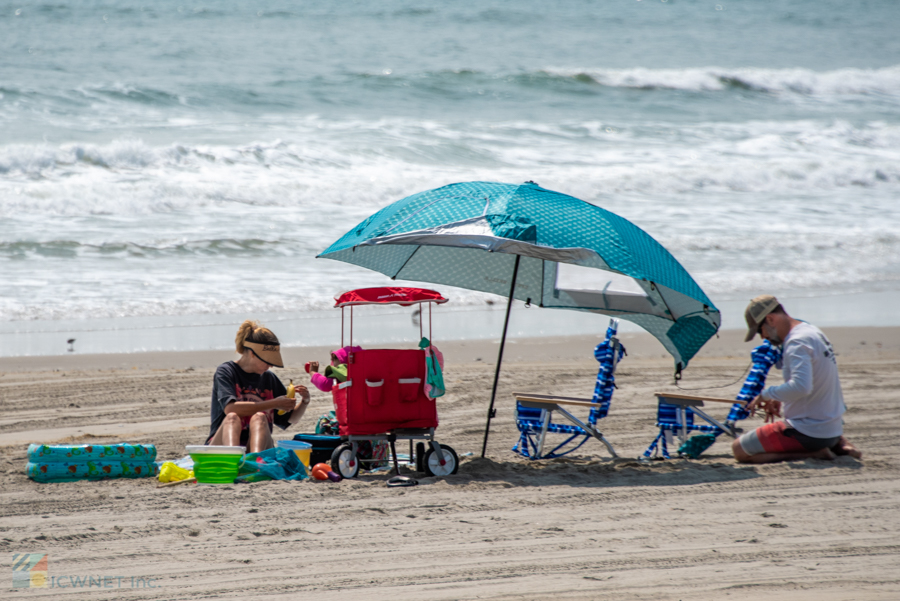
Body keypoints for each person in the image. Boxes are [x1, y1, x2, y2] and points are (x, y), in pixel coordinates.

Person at [732, 295, 861, 464]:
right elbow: (810, 384)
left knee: (739, 450)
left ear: (770, 319)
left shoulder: (796, 343)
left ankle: (815, 454)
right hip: (833, 428)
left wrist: (766, 394)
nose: (762, 337)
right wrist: (779, 396)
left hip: (808, 432)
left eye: (759, 330)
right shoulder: (812, 331)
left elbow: (801, 387)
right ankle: (839, 444)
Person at [207, 320, 311, 453]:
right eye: (268, 361)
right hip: (222, 445)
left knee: (260, 418)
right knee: (232, 417)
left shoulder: (269, 378)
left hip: (258, 446)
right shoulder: (226, 371)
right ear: (252, 353)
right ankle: (234, 459)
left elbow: (289, 419)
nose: (271, 366)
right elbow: (230, 408)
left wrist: (305, 401)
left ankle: (255, 462)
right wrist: (273, 403)